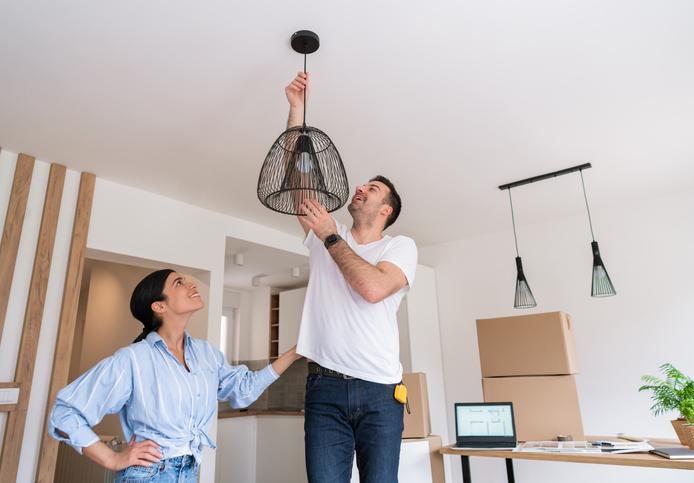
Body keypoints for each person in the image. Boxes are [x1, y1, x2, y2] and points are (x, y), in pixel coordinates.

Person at [285, 72, 418, 483]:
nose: (361, 188)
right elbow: (298, 180)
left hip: (381, 393)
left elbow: (373, 288)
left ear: (387, 211)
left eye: (373, 188)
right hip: (323, 390)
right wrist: (296, 113)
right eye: (363, 184)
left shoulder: (400, 247)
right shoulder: (326, 235)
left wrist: (328, 235)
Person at [48, 269, 300, 482]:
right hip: (147, 475)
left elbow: (243, 391)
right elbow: (64, 414)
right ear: (159, 306)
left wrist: (295, 352)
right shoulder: (133, 359)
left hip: (190, 471)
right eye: (179, 283)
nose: (191, 284)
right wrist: (111, 458)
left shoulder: (206, 353)